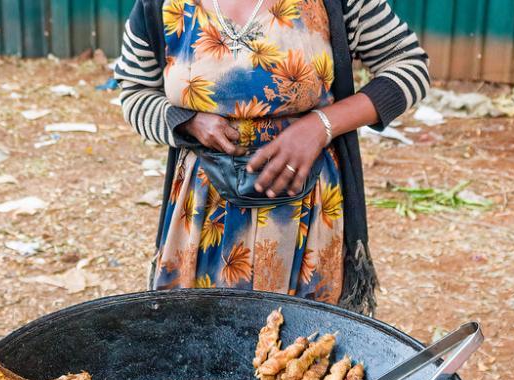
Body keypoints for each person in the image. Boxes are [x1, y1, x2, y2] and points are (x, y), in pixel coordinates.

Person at [114, 0, 429, 315]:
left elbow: (408, 65)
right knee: (195, 337)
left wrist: (322, 125)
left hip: (306, 209)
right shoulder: (158, 6)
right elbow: (134, 91)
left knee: (298, 342)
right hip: (200, 211)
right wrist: (188, 122)